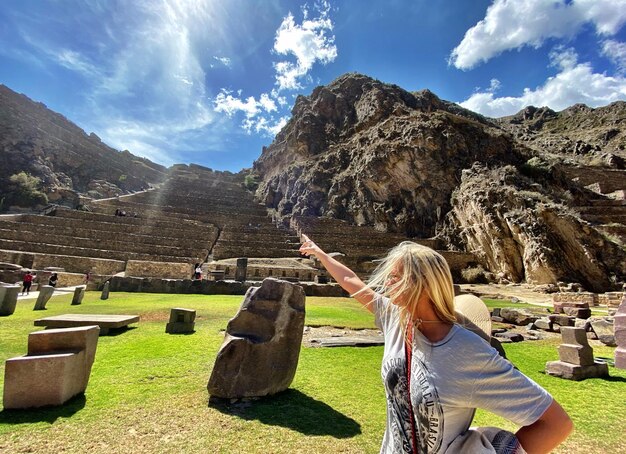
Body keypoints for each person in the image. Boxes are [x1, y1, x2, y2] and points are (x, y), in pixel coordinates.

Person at [299, 236, 572, 454]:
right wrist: (322, 255)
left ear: (422, 284)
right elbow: (353, 283)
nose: (386, 282)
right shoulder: (397, 318)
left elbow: (556, 424)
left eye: (395, 277)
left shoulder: (468, 352)